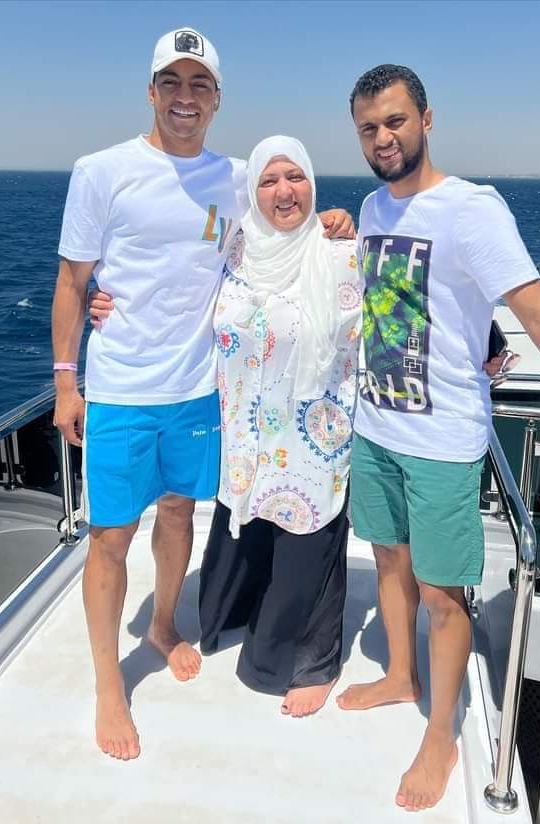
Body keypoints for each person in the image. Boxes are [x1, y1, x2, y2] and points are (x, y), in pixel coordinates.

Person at [335, 64, 540, 813]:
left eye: (395, 121)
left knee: (443, 593)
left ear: (426, 119)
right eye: (369, 128)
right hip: (374, 426)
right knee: (389, 560)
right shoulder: (371, 208)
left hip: (443, 440)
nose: (383, 138)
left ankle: (441, 733)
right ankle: (401, 675)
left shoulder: (472, 209)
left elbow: (536, 310)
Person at [51, 27, 351, 762]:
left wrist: (336, 218)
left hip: (195, 390)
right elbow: (72, 282)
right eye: (172, 82)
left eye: (200, 85)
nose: (185, 98)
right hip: (121, 388)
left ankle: (162, 625)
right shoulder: (101, 171)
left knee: (181, 512)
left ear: (217, 100)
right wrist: (65, 381)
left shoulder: (235, 176)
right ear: (151, 91)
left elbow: (285, 209)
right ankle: (109, 685)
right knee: (110, 536)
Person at [197, 136, 362, 718]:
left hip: (312, 434)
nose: (284, 191)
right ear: (251, 191)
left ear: (313, 182)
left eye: (296, 177)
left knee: (305, 535)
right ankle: (236, 613)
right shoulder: (233, 242)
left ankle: (312, 662)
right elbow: (174, 272)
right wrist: (110, 301)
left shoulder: (341, 252)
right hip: (245, 430)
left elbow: (398, 313)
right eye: (268, 180)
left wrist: (486, 346)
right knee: (249, 522)